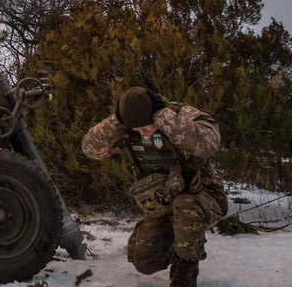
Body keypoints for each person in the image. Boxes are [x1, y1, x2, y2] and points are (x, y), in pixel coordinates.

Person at [82, 87, 228, 287]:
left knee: (185, 207)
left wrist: (164, 120)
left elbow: (209, 144)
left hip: (204, 197)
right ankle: (178, 248)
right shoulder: (128, 128)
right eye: (137, 130)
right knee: (144, 261)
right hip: (162, 202)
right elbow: (90, 149)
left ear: (156, 114)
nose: (144, 134)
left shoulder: (180, 116)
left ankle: (185, 270)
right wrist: (117, 120)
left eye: (147, 127)